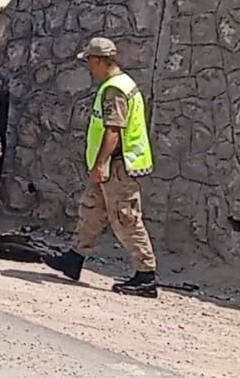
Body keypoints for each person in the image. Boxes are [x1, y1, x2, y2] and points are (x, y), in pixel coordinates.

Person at [42, 37, 160, 298]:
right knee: (92, 210)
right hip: (114, 164)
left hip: (119, 165)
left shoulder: (114, 90)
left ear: (97, 60)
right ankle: (74, 258)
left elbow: (113, 131)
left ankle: (146, 275)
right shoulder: (120, 84)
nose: (88, 67)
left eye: (88, 62)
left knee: (126, 219)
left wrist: (101, 163)